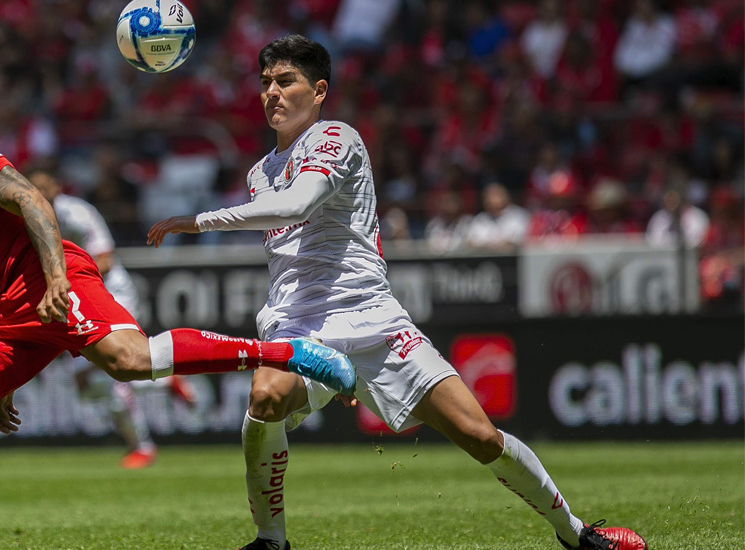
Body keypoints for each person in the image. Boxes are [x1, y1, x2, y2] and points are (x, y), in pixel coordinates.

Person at [147, 35, 647, 550]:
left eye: (286, 81)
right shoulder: (258, 173)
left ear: (318, 91)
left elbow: (299, 205)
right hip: (298, 326)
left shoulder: (337, 138)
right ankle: (271, 541)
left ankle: (577, 535)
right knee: (264, 397)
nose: (272, 92)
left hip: (373, 318)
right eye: (265, 83)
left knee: (479, 437)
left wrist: (200, 220)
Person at [0, 91, 356, 550]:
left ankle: (290, 354)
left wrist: (55, 278)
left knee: (131, 361)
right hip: (6, 314)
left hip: (50, 276)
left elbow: (31, 200)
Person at [29, 167, 197, 469]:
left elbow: (105, 260)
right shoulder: (29, 218)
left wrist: (59, 280)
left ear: (56, 186)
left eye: (45, 184)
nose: (40, 191)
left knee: (110, 369)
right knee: (83, 381)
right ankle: (163, 382)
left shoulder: (77, 214)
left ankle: (142, 447)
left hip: (111, 294)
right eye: (33, 185)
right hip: (77, 296)